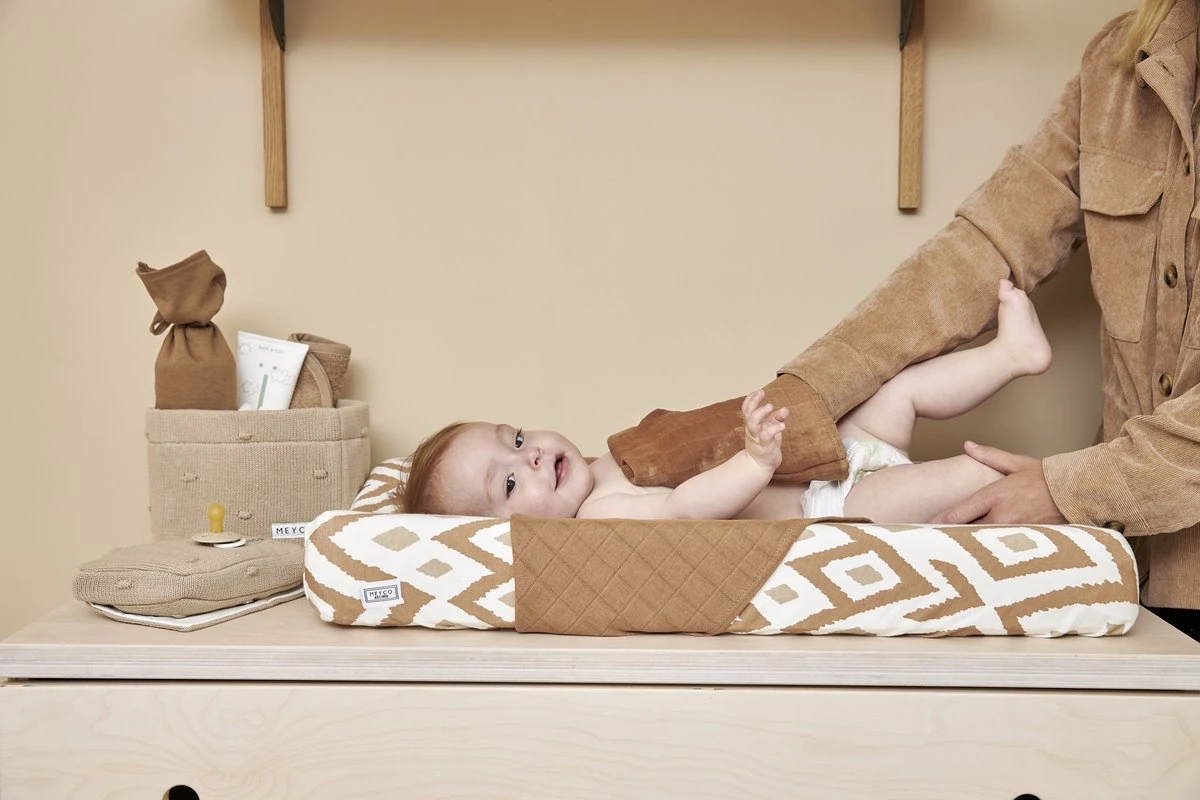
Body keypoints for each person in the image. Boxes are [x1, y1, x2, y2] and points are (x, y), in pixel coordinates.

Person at [732, 0, 1200, 640]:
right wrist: (805, 396)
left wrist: (1071, 490)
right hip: (1132, 570)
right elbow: (985, 248)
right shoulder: (1121, 65)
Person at [404, 280, 1051, 523]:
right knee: (970, 478)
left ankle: (1011, 355)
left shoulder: (604, 462)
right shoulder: (602, 515)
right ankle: (1054, 487)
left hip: (830, 460)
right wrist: (755, 461)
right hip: (831, 507)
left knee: (900, 389)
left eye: (516, 438)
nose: (530, 457)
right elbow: (684, 509)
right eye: (508, 484)